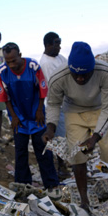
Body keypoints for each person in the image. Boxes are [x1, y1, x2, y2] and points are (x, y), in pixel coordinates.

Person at [43, 42, 108, 210]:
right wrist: (51, 127)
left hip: (100, 110)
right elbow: (54, 104)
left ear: (93, 67)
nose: (80, 78)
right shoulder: (59, 76)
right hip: (74, 112)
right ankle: (84, 201)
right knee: (77, 154)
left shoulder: (106, 72)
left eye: (85, 74)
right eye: (75, 74)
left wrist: (95, 137)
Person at [0, 42, 60, 189]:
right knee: (20, 151)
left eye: (14, 60)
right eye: (8, 61)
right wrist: (14, 116)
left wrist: (39, 110)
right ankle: (23, 184)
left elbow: (42, 89)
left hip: (36, 114)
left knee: (42, 149)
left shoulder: (33, 66)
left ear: (20, 55)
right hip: (18, 116)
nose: (11, 64)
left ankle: (51, 183)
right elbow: (4, 97)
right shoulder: (2, 71)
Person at [39, 32, 69, 177]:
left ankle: (63, 165)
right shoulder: (46, 63)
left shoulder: (60, 58)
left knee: (65, 136)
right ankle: (61, 167)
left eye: (59, 42)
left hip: (66, 103)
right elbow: (56, 86)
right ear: (48, 45)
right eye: (57, 43)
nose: (59, 46)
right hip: (55, 104)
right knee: (59, 137)